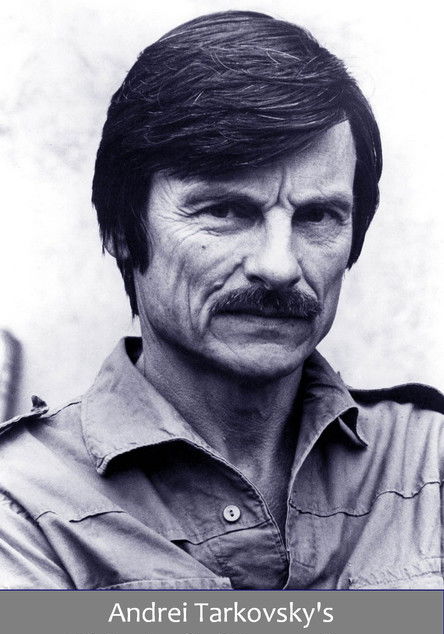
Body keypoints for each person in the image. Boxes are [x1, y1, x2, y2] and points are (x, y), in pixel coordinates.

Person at [0, 10, 442, 590]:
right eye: (227, 211)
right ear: (123, 231)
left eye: (317, 216)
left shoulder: (430, 461)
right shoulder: (23, 505)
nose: (279, 267)